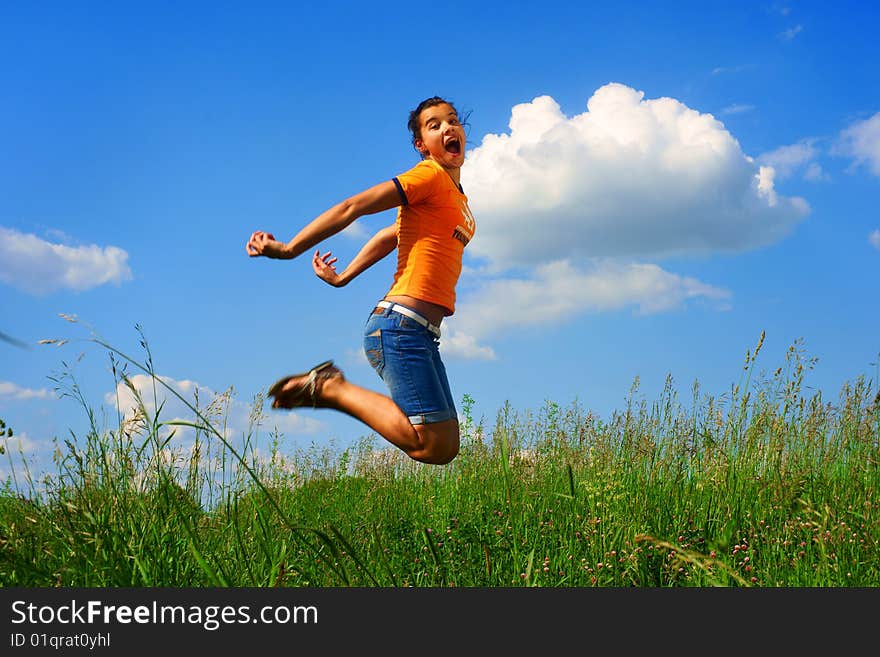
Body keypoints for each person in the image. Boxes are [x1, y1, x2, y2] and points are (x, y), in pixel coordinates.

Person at [245, 96, 475, 465]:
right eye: (434, 125)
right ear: (422, 145)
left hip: (420, 332)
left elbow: (392, 234)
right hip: (401, 327)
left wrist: (344, 277)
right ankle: (329, 388)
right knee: (430, 445)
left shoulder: (455, 198)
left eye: (452, 121)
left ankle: (330, 387)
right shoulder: (427, 176)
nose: (448, 127)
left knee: (445, 444)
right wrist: (289, 249)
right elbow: (353, 207)